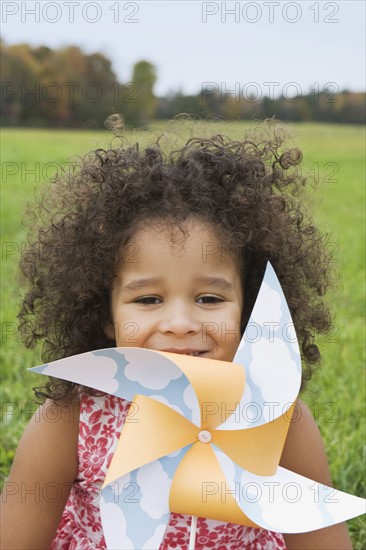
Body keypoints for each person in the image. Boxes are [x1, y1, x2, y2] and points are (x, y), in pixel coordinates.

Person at [1, 120, 353, 549]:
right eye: (148, 300)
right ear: (105, 314)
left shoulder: (280, 421)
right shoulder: (70, 420)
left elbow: (321, 538)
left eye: (209, 299)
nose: (181, 322)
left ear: (252, 307)